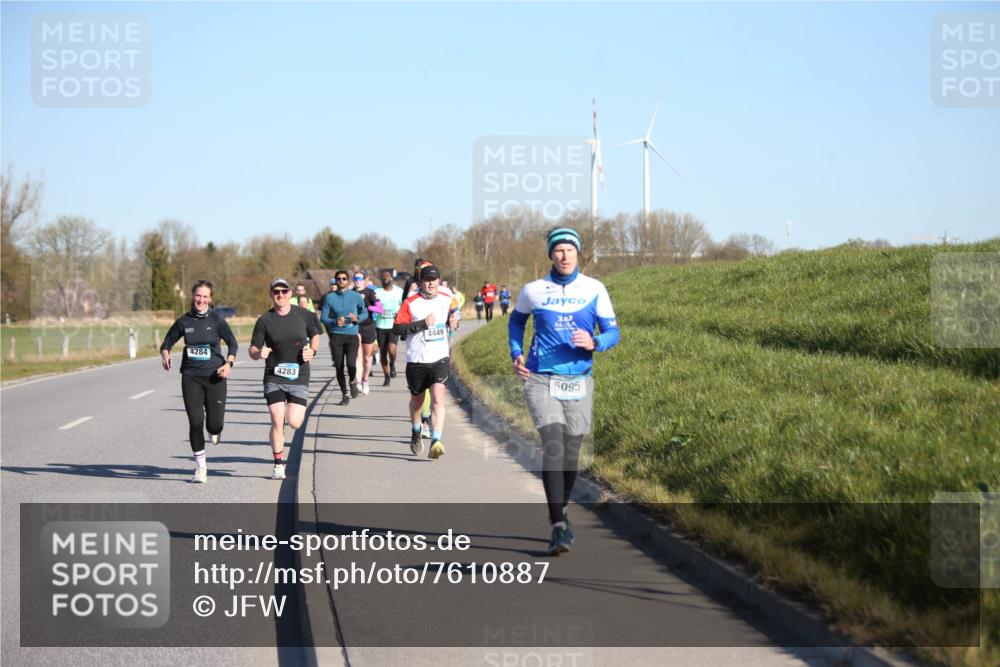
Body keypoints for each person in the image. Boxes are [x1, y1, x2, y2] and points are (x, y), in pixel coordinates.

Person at [508, 227, 620, 555]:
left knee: (571, 453)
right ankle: (558, 525)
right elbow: (516, 322)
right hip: (541, 377)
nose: (564, 255)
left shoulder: (594, 289)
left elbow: (613, 332)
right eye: (558, 250)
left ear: (578, 254)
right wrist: (516, 352)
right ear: (550, 255)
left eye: (570, 250)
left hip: (579, 380)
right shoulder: (534, 290)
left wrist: (596, 342)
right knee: (554, 446)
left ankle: (561, 508)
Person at [160, 280, 238, 483]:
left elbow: (232, 343)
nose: (201, 300)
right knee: (195, 422)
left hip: (215, 377)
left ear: (210, 299)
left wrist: (228, 364)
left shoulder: (217, 320)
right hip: (191, 377)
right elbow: (167, 342)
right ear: (192, 296)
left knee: (214, 425)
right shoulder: (184, 321)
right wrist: (165, 353)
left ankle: (215, 432)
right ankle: (201, 468)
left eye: (205, 296)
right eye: (198, 295)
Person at [249, 278, 322, 480]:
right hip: (274, 376)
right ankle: (278, 464)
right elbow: (252, 349)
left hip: (299, 375)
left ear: (290, 294)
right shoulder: (265, 320)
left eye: (284, 291)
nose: (280, 295)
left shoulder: (305, 315)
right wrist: (258, 353)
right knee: (276, 420)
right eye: (276, 292)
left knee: (294, 421)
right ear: (271, 295)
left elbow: (316, 334)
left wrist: (312, 350)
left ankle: (285, 423)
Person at [393, 264, 459, 459]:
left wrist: (453, 322)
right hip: (417, 360)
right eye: (427, 280)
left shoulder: (447, 299)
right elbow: (397, 328)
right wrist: (422, 324)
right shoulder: (411, 302)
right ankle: (415, 430)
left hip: (439, 357)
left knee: (438, 397)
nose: (431, 283)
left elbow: (454, 316)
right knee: (417, 401)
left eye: (434, 280)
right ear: (421, 282)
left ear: (439, 280)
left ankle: (436, 440)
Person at [320, 270, 368, 405]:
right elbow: (323, 317)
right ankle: (344, 395)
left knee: (351, 364)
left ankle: (353, 381)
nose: (341, 281)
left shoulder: (355, 295)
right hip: (336, 336)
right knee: (339, 367)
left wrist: (357, 318)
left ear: (348, 281)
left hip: (352, 335)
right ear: (336, 281)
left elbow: (365, 312)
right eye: (339, 279)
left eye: (344, 278)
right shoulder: (329, 298)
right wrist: (334, 321)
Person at [353, 269, 381, 395]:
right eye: (355, 279)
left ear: (364, 280)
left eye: (359, 279)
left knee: (366, 358)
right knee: (357, 357)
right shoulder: (350, 293)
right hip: (355, 327)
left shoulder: (370, 292)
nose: (357, 281)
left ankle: (365, 380)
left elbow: (380, 309)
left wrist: (368, 306)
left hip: (368, 326)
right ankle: (358, 381)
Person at [375, 268, 403, 386]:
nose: (385, 278)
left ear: (391, 278)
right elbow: (374, 307)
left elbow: (403, 306)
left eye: (387, 276)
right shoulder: (377, 292)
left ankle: (392, 363)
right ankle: (386, 376)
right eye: (383, 277)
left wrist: (399, 315)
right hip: (380, 326)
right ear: (381, 280)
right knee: (382, 352)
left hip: (393, 325)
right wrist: (377, 309)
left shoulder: (399, 291)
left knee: (392, 350)